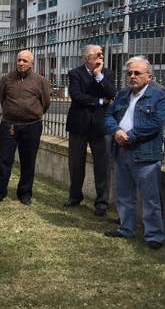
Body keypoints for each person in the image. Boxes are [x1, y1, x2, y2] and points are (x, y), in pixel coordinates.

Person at [104, 56, 165, 250]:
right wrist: (116, 131)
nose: (132, 76)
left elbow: (156, 123)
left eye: (137, 73)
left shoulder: (159, 96)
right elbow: (108, 115)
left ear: (148, 77)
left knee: (150, 198)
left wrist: (129, 136)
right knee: (124, 194)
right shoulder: (123, 95)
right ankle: (126, 228)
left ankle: (154, 236)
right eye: (129, 73)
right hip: (121, 151)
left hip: (145, 154)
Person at [0, 50, 50, 205]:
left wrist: (31, 113)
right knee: (3, 160)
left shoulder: (40, 81)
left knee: (28, 161)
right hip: (10, 125)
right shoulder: (7, 79)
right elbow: (2, 98)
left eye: (25, 61)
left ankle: (25, 194)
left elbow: (46, 102)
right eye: (19, 60)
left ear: (31, 63)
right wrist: (13, 112)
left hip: (32, 126)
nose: (21, 63)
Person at [64, 45, 116, 216]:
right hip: (79, 125)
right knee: (76, 163)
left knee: (102, 166)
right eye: (98, 54)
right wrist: (100, 101)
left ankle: (101, 203)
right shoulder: (75, 73)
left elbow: (111, 92)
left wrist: (98, 76)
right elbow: (77, 96)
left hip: (101, 127)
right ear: (87, 58)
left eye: (102, 54)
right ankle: (75, 196)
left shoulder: (107, 74)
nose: (102, 56)